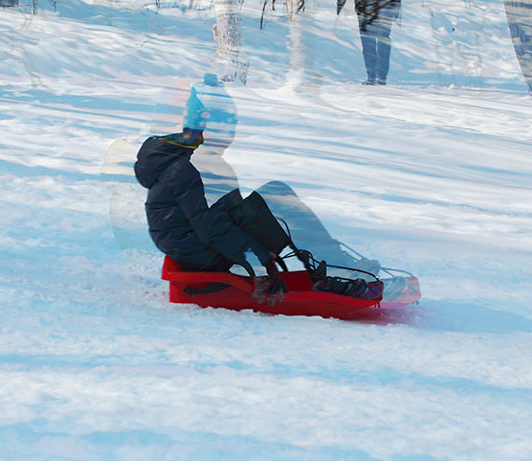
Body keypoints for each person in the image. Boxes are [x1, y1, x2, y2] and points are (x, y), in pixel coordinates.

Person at [134, 82, 383, 303]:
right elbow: (212, 227)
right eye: (225, 128)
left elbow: (226, 215)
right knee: (280, 203)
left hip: (195, 245)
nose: (230, 136)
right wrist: (260, 262)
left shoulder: (199, 161)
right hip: (199, 253)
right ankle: (332, 272)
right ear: (206, 129)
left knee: (276, 196)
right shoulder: (191, 168)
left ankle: (332, 263)